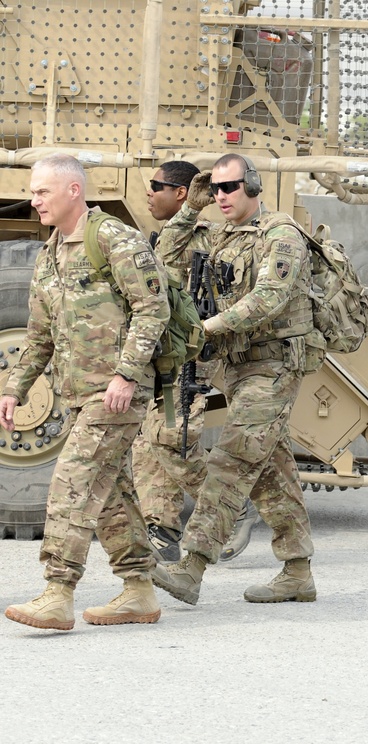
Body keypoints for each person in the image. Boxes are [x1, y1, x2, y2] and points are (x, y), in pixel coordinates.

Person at [1, 154, 170, 630]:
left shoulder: (114, 239)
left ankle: (58, 592)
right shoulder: (51, 252)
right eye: (33, 192)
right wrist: (15, 389)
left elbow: (152, 308)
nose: (32, 201)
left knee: (71, 484)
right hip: (78, 394)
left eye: (41, 192)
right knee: (111, 492)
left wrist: (126, 373)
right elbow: (39, 335)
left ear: (73, 190)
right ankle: (138, 590)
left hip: (116, 393)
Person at [151, 154, 326, 605]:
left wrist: (207, 328)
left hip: (273, 364)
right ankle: (297, 570)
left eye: (230, 188)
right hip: (235, 365)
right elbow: (164, 255)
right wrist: (192, 206)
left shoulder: (281, 236)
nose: (222, 196)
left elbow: (270, 297)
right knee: (270, 465)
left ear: (252, 186)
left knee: (232, 458)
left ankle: (191, 567)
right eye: (217, 188)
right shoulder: (219, 235)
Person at [135, 161, 259, 565]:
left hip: (193, 355)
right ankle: (161, 525)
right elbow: (163, 254)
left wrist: (193, 213)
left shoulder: (208, 237)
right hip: (159, 353)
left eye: (156, 185)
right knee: (146, 443)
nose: (149, 193)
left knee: (169, 438)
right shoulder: (172, 235)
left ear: (181, 192)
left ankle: (230, 506)